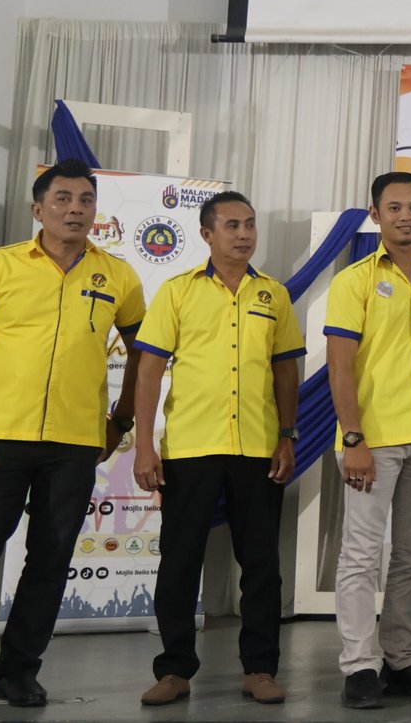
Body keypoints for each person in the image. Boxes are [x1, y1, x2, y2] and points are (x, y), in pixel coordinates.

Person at [0, 159, 146, 708]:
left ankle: (18, 673)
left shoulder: (118, 275)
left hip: (75, 444)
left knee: (49, 561)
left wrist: (122, 419)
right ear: (38, 208)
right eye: (63, 198)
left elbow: (144, 352)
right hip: (0, 438)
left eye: (86, 200)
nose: (76, 209)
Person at [131, 191, 304, 707]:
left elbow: (285, 371)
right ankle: (174, 670)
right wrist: (144, 446)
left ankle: (260, 669)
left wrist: (288, 435)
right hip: (191, 447)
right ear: (207, 235)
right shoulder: (177, 291)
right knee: (180, 560)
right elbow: (148, 371)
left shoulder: (274, 294)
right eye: (232, 225)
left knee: (262, 563)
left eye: (250, 224)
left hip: (257, 446)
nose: (244, 234)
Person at [325, 171, 411, 709]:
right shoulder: (354, 280)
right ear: (376, 215)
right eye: (394, 208)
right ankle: (360, 665)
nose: (406, 216)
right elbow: (339, 366)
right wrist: (353, 437)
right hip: (372, 438)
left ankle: (401, 660)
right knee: (360, 554)